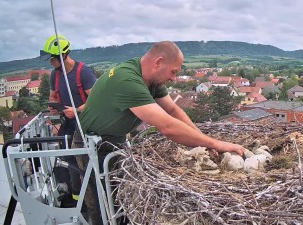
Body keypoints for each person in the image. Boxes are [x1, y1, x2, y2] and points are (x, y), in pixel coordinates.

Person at [74, 41, 245, 224]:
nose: (174, 78)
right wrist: (216, 144)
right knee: (105, 207)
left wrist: (204, 141)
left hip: (113, 141)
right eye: (174, 72)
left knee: (122, 200)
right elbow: (167, 126)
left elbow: (172, 111)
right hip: (91, 146)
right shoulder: (128, 80)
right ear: (159, 62)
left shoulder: (148, 76)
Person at [40, 34, 97, 207]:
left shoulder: (83, 73)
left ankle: (91, 200)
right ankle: (77, 200)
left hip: (85, 125)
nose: (50, 63)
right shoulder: (54, 75)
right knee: (68, 160)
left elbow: (96, 100)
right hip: (68, 124)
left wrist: (77, 110)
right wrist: (53, 106)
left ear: (63, 55)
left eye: (52, 59)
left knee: (84, 163)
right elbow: (53, 95)